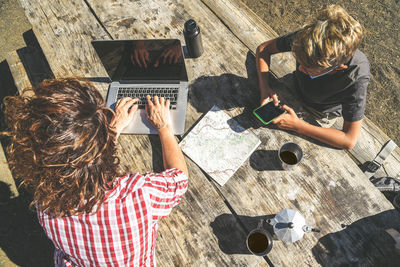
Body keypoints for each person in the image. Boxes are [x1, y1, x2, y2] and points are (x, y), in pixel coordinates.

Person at [3, 78, 188, 266]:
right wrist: (164, 127)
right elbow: (180, 179)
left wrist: (111, 131)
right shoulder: (138, 194)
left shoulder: (44, 206)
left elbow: (78, 164)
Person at [256, 5, 370, 149]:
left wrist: (298, 126)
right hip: (293, 86)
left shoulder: (356, 77)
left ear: (338, 68)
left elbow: (349, 140)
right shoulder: (307, 40)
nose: (300, 69)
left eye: (309, 69)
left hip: (319, 113)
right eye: (300, 62)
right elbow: (263, 49)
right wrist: (264, 86)